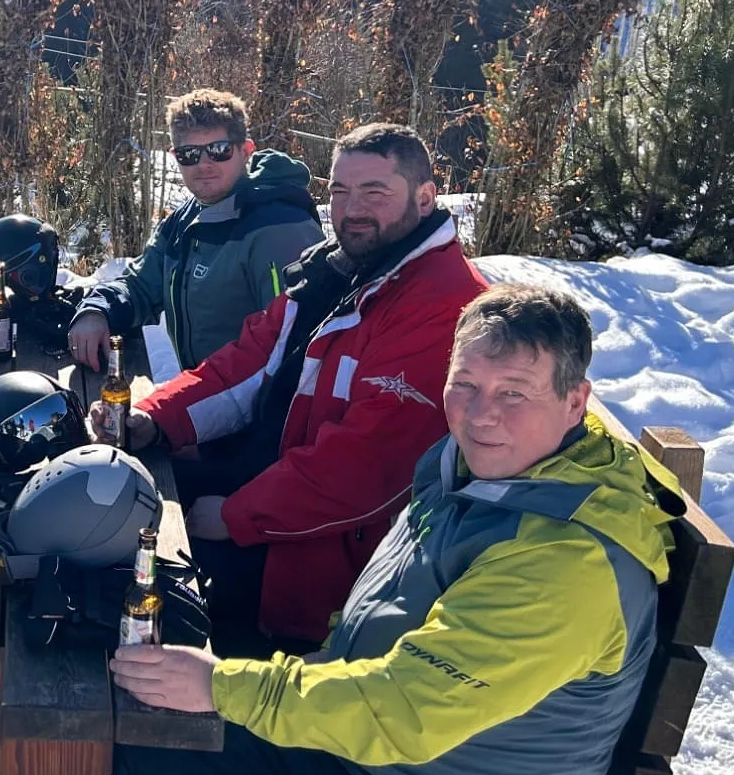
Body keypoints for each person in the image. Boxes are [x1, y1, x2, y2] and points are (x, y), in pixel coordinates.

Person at [110, 285, 685, 775]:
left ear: (575, 403)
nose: (481, 415)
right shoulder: (476, 467)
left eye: (514, 393)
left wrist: (220, 684)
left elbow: (407, 712)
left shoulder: (567, 562)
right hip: (363, 747)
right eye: (465, 384)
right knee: (160, 754)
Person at [93, 123, 485, 653]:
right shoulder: (340, 270)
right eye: (340, 191)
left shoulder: (445, 306)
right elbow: (248, 360)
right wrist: (155, 418)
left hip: (326, 570)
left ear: (425, 197)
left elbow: (367, 466)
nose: (352, 209)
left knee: (152, 615)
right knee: (104, 513)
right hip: (266, 490)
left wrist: (236, 516)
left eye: (375, 191)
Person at [68, 89, 320, 377]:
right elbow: (140, 285)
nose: (204, 164)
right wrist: (97, 309)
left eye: (219, 150)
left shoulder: (279, 227)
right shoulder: (186, 219)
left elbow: (291, 351)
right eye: (189, 154)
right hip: (204, 392)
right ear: (175, 156)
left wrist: (188, 399)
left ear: (245, 150)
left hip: (252, 399)